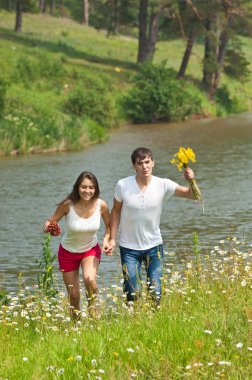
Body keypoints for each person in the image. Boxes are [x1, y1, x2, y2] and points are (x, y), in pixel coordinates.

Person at [109, 147, 197, 306]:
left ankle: (152, 321)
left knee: (155, 292)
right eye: (140, 163)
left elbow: (193, 195)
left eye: (147, 162)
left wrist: (191, 180)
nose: (144, 166)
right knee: (132, 293)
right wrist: (112, 239)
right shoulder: (123, 185)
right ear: (134, 166)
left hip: (154, 246)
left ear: (153, 163)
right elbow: (115, 212)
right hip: (129, 247)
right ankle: (134, 321)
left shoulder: (163, 184)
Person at [44, 171, 111, 319]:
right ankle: (76, 327)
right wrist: (48, 226)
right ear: (77, 188)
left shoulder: (102, 205)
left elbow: (109, 225)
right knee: (74, 296)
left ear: (96, 189)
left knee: (89, 279)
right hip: (67, 252)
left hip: (90, 250)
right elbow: (51, 221)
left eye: (91, 187)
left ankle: (94, 314)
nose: (87, 191)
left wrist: (106, 240)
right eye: (84, 187)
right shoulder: (67, 205)